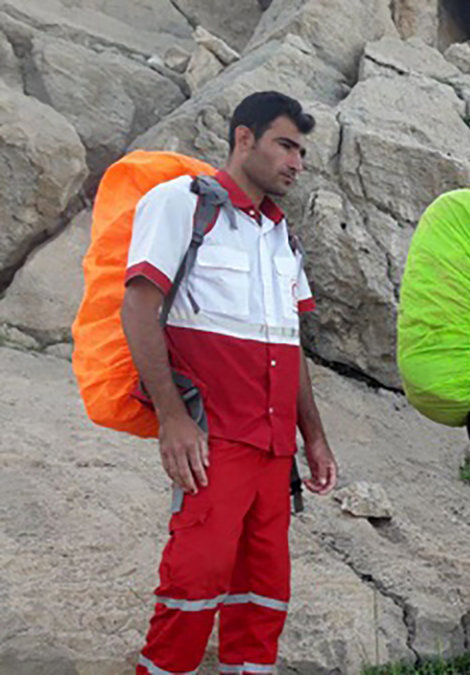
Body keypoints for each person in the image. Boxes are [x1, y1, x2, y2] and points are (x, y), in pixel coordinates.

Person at [124, 90, 337, 674]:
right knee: (191, 587)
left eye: (301, 151)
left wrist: (312, 436)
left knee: (264, 596)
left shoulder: (281, 237)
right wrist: (172, 417)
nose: (296, 162)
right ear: (244, 138)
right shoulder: (181, 205)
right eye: (285, 145)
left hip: (274, 453)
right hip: (213, 442)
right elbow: (138, 309)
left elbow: (291, 346)